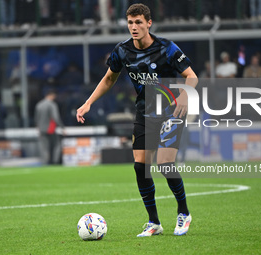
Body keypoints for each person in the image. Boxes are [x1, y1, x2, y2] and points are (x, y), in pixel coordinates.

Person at [76, 3, 198, 237]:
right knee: (140, 167)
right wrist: (88, 102)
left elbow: (191, 77)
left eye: (138, 22)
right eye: (130, 23)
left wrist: (184, 95)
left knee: (164, 163)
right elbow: (109, 79)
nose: (134, 27)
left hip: (172, 111)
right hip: (144, 112)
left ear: (149, 23)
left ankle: (184, 213)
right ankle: (154, 222)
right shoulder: (122, 51)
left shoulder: (167, 48)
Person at [35, 90, 65, 165]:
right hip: (50, 129)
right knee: (57, 144)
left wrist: (38, 127)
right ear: (51, 95)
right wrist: (62, 127)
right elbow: (55, 117)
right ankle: (55, 161)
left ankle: (45, 162)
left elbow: (36, 118)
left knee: (44, 147)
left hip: (42, 129)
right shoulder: (52, 104)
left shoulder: (39, 104)